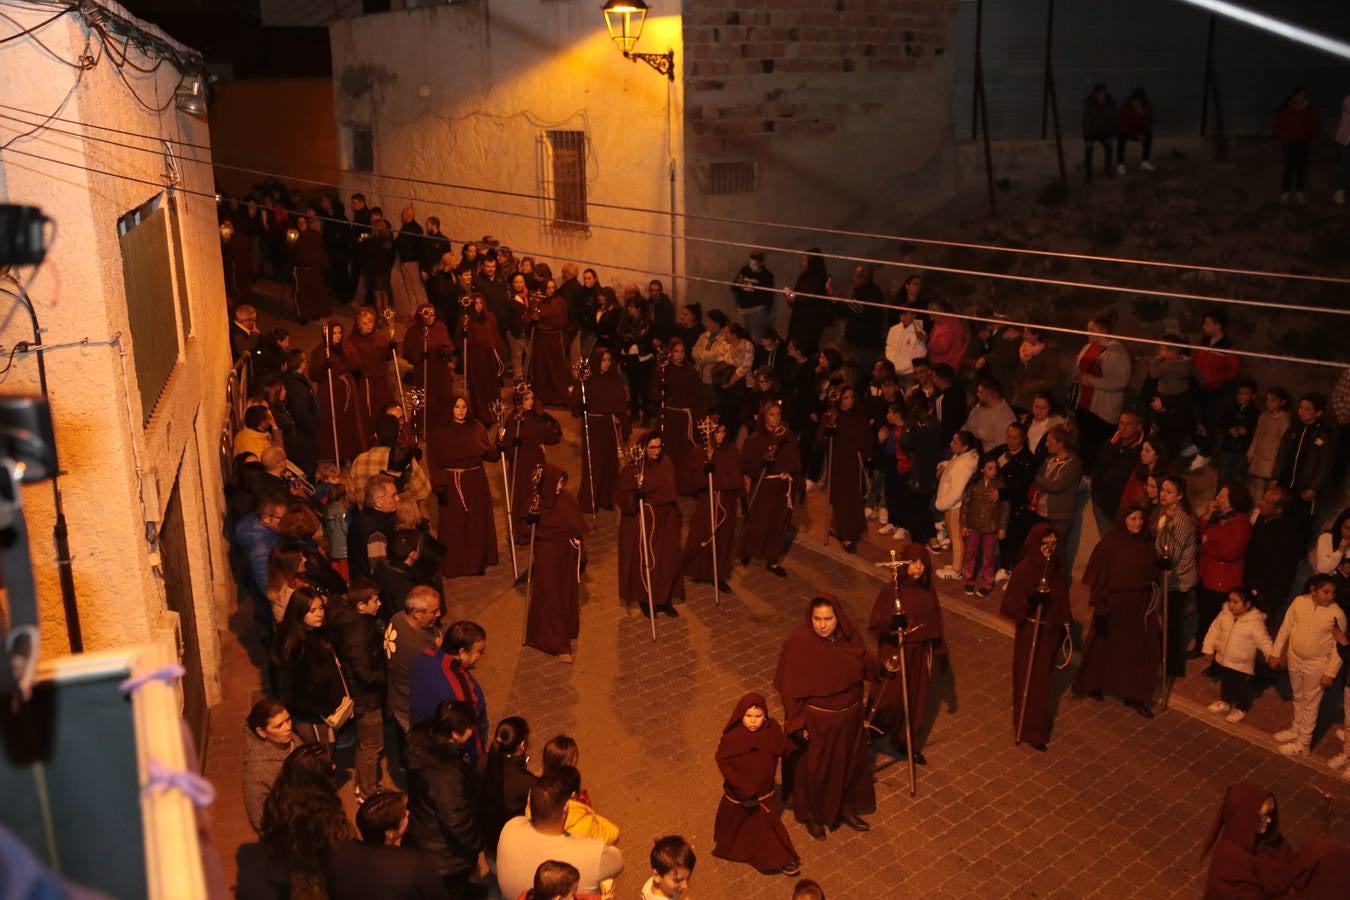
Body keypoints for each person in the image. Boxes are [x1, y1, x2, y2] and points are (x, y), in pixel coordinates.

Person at [774, 594, 878, 840]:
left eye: (828, 619)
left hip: (849, 719)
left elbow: (862, 663)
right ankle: (812, 815)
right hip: (817, 723)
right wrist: (798, 723)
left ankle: (845, 807)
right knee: (814, 770)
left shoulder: (848, 638)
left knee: (847, 765)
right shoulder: (799, 643)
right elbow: (790, 690)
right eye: (817, 619)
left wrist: (885, 668)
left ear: (838, 617)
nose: (822, 625)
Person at [1073, 503, 1160, 718]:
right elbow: (1099, 578)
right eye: (1133, 519)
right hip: (1113, 604)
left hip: (1139, 604)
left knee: (1137, 650)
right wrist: (1100, 605)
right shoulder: (1110, 544)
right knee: (1104, 646)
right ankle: (1095, 683)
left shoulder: (1148, 542)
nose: (1138, 523)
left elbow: (1153, 572)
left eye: (1140, 519)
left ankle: (1135, 694)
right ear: (1124, 520)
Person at [866, 545, 945, 763]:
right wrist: (893, 623)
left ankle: (907, 742)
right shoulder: (892, 591)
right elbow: (877, 623)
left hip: (919, 653)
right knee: (889, 694)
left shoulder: (928, 591)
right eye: (913, 563)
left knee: (915, 698)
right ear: (905, 565)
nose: (918, 568)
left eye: (922, 563)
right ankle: (873, 728)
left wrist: (940, 652)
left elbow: (935, 621)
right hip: (896, 651)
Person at [495, 771, 625, 900]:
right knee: (607, 882)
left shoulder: (510, 827)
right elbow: (618, 861)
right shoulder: (593, 852)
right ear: (565, 809)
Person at [404, 699, 487, 898]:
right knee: (452, 891)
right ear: (455, 734)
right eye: (469, 728)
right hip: (445, 857)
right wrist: (477, 844)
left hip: (423, 834)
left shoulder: (422, 746)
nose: (471, 732)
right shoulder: (446, 773)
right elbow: (455, 820)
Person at [999, 525, 1071, 751]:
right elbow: (1010, 603)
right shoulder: (1026, 567)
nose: (1049, 549)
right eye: (1045, 544)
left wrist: (1065, 621)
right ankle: (1026, 728)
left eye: (1053, 544)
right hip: (1031, 631)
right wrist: (1030, 603)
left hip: (1049, 630)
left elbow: (1061, 596)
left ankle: (1037, 727)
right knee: (1028, 679)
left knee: (1042, 683)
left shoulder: (1056, 568)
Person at [711, 693, 800, 876]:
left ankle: (778, 858)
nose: (753, 721)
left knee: (766, 829)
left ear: (765, 715)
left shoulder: (771, 730)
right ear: (740, 716)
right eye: (748, 716)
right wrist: (743, 788)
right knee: (737, 826)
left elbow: (783, 747)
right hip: (739, 795)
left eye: (758, 716)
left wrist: (797, 743)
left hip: (763, 795)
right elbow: (724, 762)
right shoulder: (732, 737)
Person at [262, 743, 354, 899]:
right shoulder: (324, 815)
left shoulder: (279, 800)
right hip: (321, 878)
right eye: (329, 765)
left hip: (296, 871)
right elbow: (342, 849)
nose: (334, 766)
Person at [1269, 575, 1346, 757]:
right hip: (1295, 658)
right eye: (1325, 592)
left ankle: (1304, 743)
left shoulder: (1337, 614)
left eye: (1332, 593)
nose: (1330, 596)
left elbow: (1340, 647)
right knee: (1298, 696)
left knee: (1311, 704)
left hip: (1317, 664)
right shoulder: (1299, 602)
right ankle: (1296, 728)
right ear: (1313, 590)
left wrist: (1330, 672)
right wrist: (1275, 651)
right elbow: (1286, 627)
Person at [324, 579, 387, 802]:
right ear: (361, 606)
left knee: (367, 743)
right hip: (366, 698)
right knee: (372, 745)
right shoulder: (358, 632)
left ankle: (364, 785)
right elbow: (365, 674)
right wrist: (386, 676)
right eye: (374, 601)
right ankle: (367, 792)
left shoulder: (349, 622)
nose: (378, 604)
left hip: (362, 694)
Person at [428, 396, 501, 577]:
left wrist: (500, 444)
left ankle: (476, 563)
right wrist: (439, 484)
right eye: (457, 407)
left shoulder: (476, 427)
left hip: (475, 481)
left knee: (476, 522)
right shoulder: (439, 432)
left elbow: (488, 452)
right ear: (450, 409)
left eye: (464, 407)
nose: (461, 410)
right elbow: (434, 461)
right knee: (454, 524)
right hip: (452, 482)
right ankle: (455, 565)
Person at [326, 790, 444, 900]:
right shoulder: (416, 865)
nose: (408, 813)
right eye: (404, 815)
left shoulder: (340, 854)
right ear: (390, 833)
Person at [617, 430, 685, 617]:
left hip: (667, 517)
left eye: (659, 446)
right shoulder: (634, 468)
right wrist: (633, 498)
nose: (656, 451)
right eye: (652, 447)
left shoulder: (667, 462)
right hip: (646, 517)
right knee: (648, 560)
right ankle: (646, 599)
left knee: (668, 559)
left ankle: (665, 599)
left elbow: (671, 488)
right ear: (644, 448)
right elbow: (622, 496)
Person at [272, 588, 346, 753]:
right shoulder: (296, 647)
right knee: (319, 758)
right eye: (312, 611)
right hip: (313, 717)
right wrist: (326, 709)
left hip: (323, 712)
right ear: (299, 613)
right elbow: (292, 688)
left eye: (320, 608)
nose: (319, 614)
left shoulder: (317, 632)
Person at [525, 465, 586, 661]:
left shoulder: (567, 499)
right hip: (548, 554)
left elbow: (576, 526)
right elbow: (526, 530)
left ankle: (562, 632)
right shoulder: (536, 502)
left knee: (564, 591)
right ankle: (559, 645)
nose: (560, 486)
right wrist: (530, 520)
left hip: (567, 554)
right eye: (557, 482)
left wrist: (580, 548)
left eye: (562, 481)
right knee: (553, 595)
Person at [409, 620, 489, 760]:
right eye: (479, 652)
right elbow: (473, 733)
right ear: (462, 653)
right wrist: (479, 758)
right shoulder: (465, 691)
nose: (481, 655)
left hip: (419, 736)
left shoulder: (423, 657)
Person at [740, 402, 802, 578]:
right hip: (764, 487)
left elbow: (794, 460)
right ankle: (748, 550)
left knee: (779, 524)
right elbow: (747, 466)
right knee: (758, 522)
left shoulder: (787, 437)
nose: (776, 418)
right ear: (764, 417)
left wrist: (794, 480)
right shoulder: (754, 439)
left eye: (778, 414)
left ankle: (772, 560)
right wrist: (762, 462)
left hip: (782, 487)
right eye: (772, 415)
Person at [1198, 783, 1293, 898]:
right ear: (1245, 817)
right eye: (1262, 816)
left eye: (1270, 814)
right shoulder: (1229, 862)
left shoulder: (1271, 840)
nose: (1268, 820)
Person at [682, 420, 742, 592]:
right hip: (708, 499)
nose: (720, 436)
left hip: (727, 501)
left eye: (723, 431)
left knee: (723, 537)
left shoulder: (732, 451)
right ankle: (699, 569)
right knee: (703, 533)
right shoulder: (699, 452)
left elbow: (736, 475)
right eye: (717, 432)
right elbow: (692, 480)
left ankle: (718, 574)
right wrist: (705, 468)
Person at [1195, 484, 1253, 655]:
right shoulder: (1217, 517)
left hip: (1222, 581)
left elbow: (1230, 551)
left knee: (1217, 620)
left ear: (1233, 501)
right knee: (1204, 614)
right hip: (1206, 574)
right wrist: (1207, 516)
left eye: (1222, 497)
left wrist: (1206, 545)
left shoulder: (1241, 524)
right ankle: (1201, 646)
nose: (1217, 499)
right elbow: (1198, 534)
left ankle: (1215, 656)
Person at [1201, 588, 1273, 725]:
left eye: (1236, 602)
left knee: (1241, 687)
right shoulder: (1224, 615)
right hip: (1224, 659)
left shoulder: (1255, 622)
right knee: (1226, 682)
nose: (1231, 605)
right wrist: (1208, 649)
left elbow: (1264, 641)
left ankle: (1241, 708)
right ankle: (1225, 701)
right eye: (1229, 601)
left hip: (1242, 663)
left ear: (1247, 605)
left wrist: (1270, 655)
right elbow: (1214, 630)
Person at [571, 348, 629, 513]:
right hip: (593, 425)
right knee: (594, 463)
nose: (607, 363)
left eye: (609, 360)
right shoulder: (587, 380)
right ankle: (590, 500)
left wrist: (623, 423)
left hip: (608, 425)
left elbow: (620, 404)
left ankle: (607, 497)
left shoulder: (613, 379)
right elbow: (575, 404)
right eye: (604, 360)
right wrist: (580, 406)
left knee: (610, 462)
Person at [1273, 392, 1337, 539]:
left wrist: (1313, 487)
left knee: (1300, 521)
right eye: (1301, 407)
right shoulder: (1295, 428)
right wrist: (1276, 477)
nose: (1301, 411)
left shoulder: (1324, 434)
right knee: (1281, 516)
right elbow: (1282, 453)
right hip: (1286, 482)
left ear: (1318, 412)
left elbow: (1324, 464)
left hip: (1304, 487)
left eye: (1307, 409)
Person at [1072, 309, 1131, 468]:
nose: (1087, 333)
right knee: (1083, 446)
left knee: (1097, 450)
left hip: (1102, 411)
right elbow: (1078, 367)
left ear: (1103, 331)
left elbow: (1121, 381)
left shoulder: (1117, 352)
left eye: (1092, 330)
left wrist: (1093, 381)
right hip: (1084, 405)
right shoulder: (1088, 348)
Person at [1156, 474, 1199, 679]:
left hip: (1177, 579)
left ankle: (1172, 667)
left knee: (1171, 624)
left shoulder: (1181, 520)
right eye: (1162, 490)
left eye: (1169, 492)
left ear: (1180, 496)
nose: (1163, 494)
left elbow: (1172, 553)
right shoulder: (1166, 513)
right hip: (1166, 578)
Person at [507, 388, 563, 544]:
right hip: (523, 462)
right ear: (519, 401)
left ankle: (538, 527)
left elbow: (548, 434)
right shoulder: (514, 419)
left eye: (532, 398)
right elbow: (505, 442)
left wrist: (552, 428)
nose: (530, 402)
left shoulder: (537, 416)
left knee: (537, 492)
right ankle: (523, 530)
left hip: (537, 459)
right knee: (524, 493)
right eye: (526, 399)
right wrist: (513, 445)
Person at [820, 386, 872, 553]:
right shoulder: (831, 417)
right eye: (845, 398)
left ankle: (838, 528)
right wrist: (829, 429)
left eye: (851, 397)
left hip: (853, 463)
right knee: (841, 499)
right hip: (838, 463)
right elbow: (823, 442)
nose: (849, 401)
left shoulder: (858, 417)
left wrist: (865, 453)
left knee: (853, 498)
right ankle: (846, 536)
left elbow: (864, 437)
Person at [385, 586, 443, 733]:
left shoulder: (397, 618)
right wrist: (440, 649)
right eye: (434, 611)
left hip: (397, 694)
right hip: (411, 705)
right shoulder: (420, 647)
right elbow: (437, 674)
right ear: (417, 613)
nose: (439, 614)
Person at [310, 321, 367, 465]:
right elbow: (314, 375)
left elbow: (357, 365)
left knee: (348, 423)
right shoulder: (320, 351)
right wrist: (325, 367)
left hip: (347, 391)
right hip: (330, 392)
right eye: (334, 333)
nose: (337, 336)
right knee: (333, 421)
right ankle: (333, 453)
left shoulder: (346, 347)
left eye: (339, 333)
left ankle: (349, 452)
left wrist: (345, 356)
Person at [650, 338, 705, 485]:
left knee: (686, 452)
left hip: (686, 418)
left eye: (682, 351)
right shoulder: (663, 370)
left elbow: (697, 394)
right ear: (671, 352)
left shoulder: (690, 370)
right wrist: (661, 393)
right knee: (670, 450)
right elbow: (655, 394)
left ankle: (685, 484)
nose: (679, 355)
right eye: (676, 351)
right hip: (669, 418)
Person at [1246, 486, 1304, 623]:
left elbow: (1283, 570)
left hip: (1266, 591)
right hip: (1250, 582)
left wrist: (1263, 592)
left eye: (1267, 502)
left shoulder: (1287, 535)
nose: (1261, 503)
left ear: (1278, 510)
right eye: (1263, 499)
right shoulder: (1262, 517)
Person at [482, 717, 538, 856]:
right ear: (522, 745)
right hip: (511, 845)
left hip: (489, 839)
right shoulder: (528, 783)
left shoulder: (483, 762)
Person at [243, 697, 298, 835]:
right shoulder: (256, 771)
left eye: (288, 720)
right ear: (262, 732)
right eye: (279, 726)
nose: (288, 727)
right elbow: (259, 819)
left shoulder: (287, 739)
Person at [991, 421, 1038, 579]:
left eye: (1015, 438)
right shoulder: (1001, 451)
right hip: (998, 505)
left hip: (1016, 507)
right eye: (1009, 436)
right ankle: (1002, 566)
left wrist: (1002, 493)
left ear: (1022, 439)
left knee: (1013, 540)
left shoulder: (1028, 460)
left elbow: (1023, 487)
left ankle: (1012, 571)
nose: (1011, 440)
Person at [932, 430, 980, 578]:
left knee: (956, 538)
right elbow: (954, 464)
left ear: (965, 447)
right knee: (956, 537)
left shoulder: (963, 465)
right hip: (955, 505)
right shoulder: (963, 457)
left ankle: (956, 570)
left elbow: (956, 492)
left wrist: (941, 504)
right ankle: (957, 565)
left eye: (955, 442)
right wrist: (945, 465)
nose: (951, 444)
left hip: (954, 507)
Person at [959, 454, 1009, 596]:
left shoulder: (1000, 486)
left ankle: (987, 582)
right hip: (973, 526)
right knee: (970, 554)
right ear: (982, 469)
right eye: (990, 468)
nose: (993, 471)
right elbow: (965, 506)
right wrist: (963, 524)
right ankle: (968, 580)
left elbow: (1005, 509)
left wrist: (1002, 527)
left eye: (995, 468)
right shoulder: (974, 486)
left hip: (991, 526)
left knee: (989, 556)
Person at [1089, 411, 1143, 540]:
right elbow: (1097, 469)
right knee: (1108, 543)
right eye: (1121, 423)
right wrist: (1096, 494)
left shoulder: (1141, 452)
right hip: (1102, 505)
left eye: (1128, 424)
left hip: (1125, 510)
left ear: (1138, 427)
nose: (1123, 428)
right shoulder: (1110, 444)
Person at [1030, 424, 1082, 551]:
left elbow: (1055, 486)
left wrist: (1041, 480)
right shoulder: (1049, 460)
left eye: (1049, 441)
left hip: (1060, 518)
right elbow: (1038, 479)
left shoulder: (1073, 463)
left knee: (1055, 554)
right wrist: (1044, 481)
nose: (1046, 444)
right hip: (1042, 514)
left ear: (1060, 444)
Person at [404, 304, 456, 429]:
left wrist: (443, 351)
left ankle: (443, 424)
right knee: (424, 398)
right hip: (423, 369)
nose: (431, 317)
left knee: (443, 396)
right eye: (427, 314)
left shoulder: (440, 327)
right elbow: (408, 352)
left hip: (439, 369)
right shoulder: (413, 331)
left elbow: (448, 346)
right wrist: (421, 350)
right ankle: (424, 426)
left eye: (433, 314)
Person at [461, 293, 506, 426]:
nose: (479, 306)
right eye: (476, 303)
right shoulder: (467, 319)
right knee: (478, 387)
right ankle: (480, 415)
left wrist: (498, 353)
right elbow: (463, 341)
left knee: (491, 387)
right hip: (475, 359)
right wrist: (465, 331)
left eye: (481, 303)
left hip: (489, 358)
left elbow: (495, 336)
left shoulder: (490, 317)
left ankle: (494, 413)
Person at [347, 307, 396, 425]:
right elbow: (352, 360)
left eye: (370, 322)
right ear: (359, 325)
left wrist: (392, 347)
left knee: (384, 404)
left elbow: (388, 357)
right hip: (366, 380)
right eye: (364, 323)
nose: (368, 325)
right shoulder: (353, 341)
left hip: (381, 378)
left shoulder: (380, 337)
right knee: (368, 407)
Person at [529, 278, 572, 407]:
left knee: (557, 368)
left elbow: (564, 320)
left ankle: (559, 397)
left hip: (555, 338)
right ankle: (543, 396)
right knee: (542, 367)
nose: (551, 290)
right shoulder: (538, 302)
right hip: (541, 339)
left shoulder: (560, 302)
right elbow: (531, 319)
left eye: (553, 287)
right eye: (548, 288)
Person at [1274, 87, 1320, 203]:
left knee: (1301, 168)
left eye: (1304, 96)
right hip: (1289, 144)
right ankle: (1285, 192)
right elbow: (1278, 127)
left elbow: (1314, 127)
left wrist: (1313, 139)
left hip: (1303, 144)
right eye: (1299, 95)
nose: (1301, 98)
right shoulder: (1285, 111)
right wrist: (1284, 138)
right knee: (1289, 168)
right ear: (1293, 97)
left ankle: (1300, 192)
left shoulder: (1309, 111)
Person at [618, 296, 656, 427]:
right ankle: (634, 413)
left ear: (639, 309)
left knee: (644, 389)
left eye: (631, 307)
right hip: (630, 358)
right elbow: (621, 333)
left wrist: (631, 337)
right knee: (633, 388)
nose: (629, 309)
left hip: (643, 359)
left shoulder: (646, 321)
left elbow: (642, 337)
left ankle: (646, 415)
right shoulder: (627, 320)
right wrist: (629, 337)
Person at [1247, 386, 1291, 499]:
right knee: (1255, 489)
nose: (1269, 403)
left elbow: (1284, 444)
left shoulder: (1284, 420)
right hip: (1259, 457)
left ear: (1282, 402)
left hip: (1272, 460)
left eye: (1273, 400)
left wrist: (1278, 465)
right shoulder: (1263, 416)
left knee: (1268, 493)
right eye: (1267, 400)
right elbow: (1257, 435)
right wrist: (1251, 452)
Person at [785, 249, 832, 351]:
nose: (802, 263)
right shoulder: (803, 276)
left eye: (804, 260)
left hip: (810, 325)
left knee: (805, 351)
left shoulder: (819, 279)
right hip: (797, 322)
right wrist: (790, 296)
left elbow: (812, 299)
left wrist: (795, 299)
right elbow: (797, 293)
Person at [290, 214, 332, 322]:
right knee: (301, 295)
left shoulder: (315, 235)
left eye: (303, 222)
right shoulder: (294, 235)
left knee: (316, 292)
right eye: (299, 223)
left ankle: (315, 312)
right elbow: (291, 253)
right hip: (301, 270)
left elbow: (321, 250)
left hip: (314, 269)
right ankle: (303, 315)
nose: (301, 225)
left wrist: (324, 265)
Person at [1216, 380, 1258, 486]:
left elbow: (1256, 431)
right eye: (1239, 393)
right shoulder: (1230, 408)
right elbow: (1221, 422)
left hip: (1242, 451)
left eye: (1245, 394)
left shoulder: (1255, 412)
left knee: (1238, 477)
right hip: (1227, 448)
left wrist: (1246, 431)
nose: (1241, 396)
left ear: (1253, 396)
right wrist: (1229, 429)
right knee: (1223, 476)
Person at [962, 377, 1016, 454]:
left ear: (990, 396)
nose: (977, 394)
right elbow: (967, 427)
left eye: (980, 392)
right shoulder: (981, 406)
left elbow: (1001, 450)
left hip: (987, 458)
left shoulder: (1004, 418)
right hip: (967, 449)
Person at [731, 250, 775, 341]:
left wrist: (765, 310)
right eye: (750, 264)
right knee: (739, 337)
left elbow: (769, 296)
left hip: (757, 311)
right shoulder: (744, 270)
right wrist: (741, 286)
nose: (751, 267)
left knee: (755, 337)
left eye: (754, 264)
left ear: (761, 263)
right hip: (742, 309)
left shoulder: (767, 276)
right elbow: (733, 286)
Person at [1082, 83, 1116, 182]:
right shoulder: (1089, 105)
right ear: (1095, 95)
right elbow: (1086, 123)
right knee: (1088, 148)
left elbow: (1112, 121)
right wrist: (1087, 138)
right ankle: (1088, 174)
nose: (1102, 97)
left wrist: (1110, 135)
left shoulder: (1110, 105)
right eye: (1100, 94)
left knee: (1109, 145)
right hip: (1092, 132)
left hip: (1105, 132)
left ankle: (1108, 169)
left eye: (1104, 94)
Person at [884, 308, 927, 389]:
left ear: (913, 315)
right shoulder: (893, 329)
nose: (903, 317)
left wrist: (908, 366)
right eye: (902, 315)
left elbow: (921, 353)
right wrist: (893, 363)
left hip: (909, 373)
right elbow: (889, 347)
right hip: (894, 371)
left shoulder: (919, 333)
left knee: (909, 395)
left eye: (906, 314)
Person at [1115, 88, 1154, 174]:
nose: (1138, 102)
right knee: (1120, 136)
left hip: (1139, 132)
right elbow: (1121, 125)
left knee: (1149, 134)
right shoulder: (1125, 107)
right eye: (1136, 100)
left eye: (1140, 100)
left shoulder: (1146, 108)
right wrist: (1135, 136)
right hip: (1127, 132)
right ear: (1132, 99)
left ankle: (1144, 162)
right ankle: (1120, 165)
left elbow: (1148, 125)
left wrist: (1141, 114)